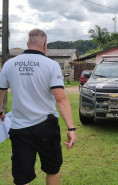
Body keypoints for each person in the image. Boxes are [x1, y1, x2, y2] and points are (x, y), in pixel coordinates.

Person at [0, 28, 77, 185]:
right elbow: (61, 99)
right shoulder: (51, 65)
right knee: (52, 168)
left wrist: (0, 112)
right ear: (45, 45)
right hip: (46, 127)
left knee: (22, 176)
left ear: (27, 43)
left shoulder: (9, 64)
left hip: (19, 127)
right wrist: (71, 129)